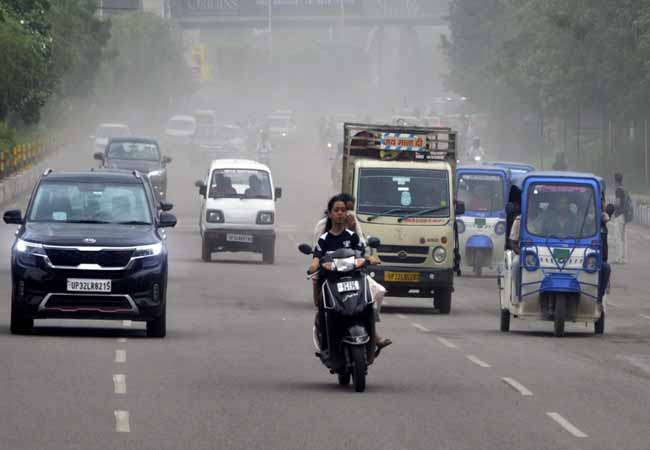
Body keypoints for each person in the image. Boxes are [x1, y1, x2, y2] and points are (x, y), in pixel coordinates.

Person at [309, 194, 391, 351]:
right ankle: (325, 342)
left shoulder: (352, 236)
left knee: (372, 297)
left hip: (353, 277)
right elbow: (316, 257)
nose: (340, 213)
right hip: (331, 279)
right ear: (330, 214)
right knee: (323, 306)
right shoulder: (324, 239)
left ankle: (374, 335)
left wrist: (370, 258)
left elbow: (361, 253)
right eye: (336, 210)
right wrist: (314, 265)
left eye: (343, 210)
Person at [612, 172, 628, 264]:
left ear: (615, 180)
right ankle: (624, 258)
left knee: (617, 237)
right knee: (623, 238)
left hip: (619, 216)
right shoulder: (624, 189)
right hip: (624, 216)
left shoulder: (618, 190)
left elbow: (618, 203)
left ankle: (618, 258)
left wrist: (611, 207)